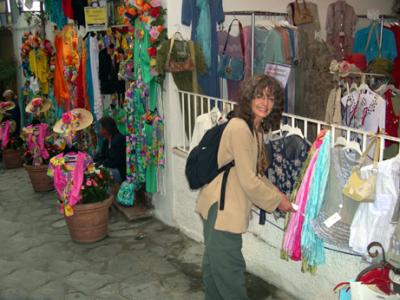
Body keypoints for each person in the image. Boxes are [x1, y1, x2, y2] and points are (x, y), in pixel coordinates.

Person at [196, 75, 295, 300]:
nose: (264, 103)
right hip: (222, 210)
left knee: (215, 270)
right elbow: (249, 181)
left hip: (222, 206)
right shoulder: (241, 128)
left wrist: (277, 194)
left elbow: (256, 174)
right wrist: (277, 201)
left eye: (270, 98)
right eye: (259, 96)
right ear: (249, 98)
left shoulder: (255, 129)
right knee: (230, 272)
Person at [94, 116, 126, 184]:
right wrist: (92, 161)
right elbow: (102, 156)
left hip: (119, 171)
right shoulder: (106, 141)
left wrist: (100, 165)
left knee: (99, 173)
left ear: (106, 129)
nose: (99, 130)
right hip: (112, 168)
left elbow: (114, 161)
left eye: (100, 128)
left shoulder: (118, 139)